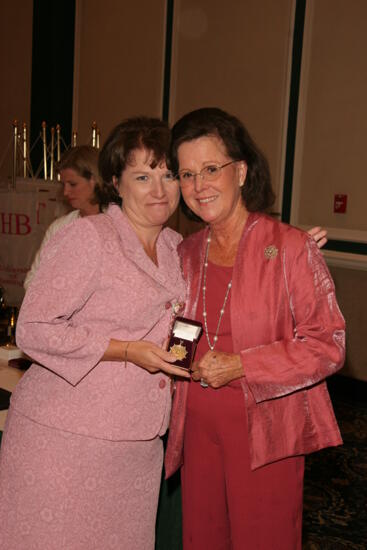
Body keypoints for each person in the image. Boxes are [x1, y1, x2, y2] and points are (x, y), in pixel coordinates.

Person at [0, 117, 190, 550]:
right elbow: (33, 328)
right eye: (143, 176)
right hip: (65, 439)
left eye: (169, 175)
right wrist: (124, 350)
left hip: (138, 443)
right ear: (116, 182)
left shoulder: (178, 248)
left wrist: (285, 252)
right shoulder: (89, 237)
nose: (159, 189)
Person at [164, 107, 345, 550]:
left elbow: (327, 345)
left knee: (263, 539)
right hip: (198, 431)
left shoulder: (287, 247)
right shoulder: (185, 252)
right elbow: (180, 335)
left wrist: (242, 365)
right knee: (202, 540)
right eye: (186, 175)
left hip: (264, 431)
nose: (198, 186)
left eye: (210, 169)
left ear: (241, 171)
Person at [24, 145, 101, 290]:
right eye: (63, 184)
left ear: (94, 181)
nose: (65, 192)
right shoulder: (59, 228)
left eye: (72, 184)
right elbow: (32, 280)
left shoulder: (119, 224)